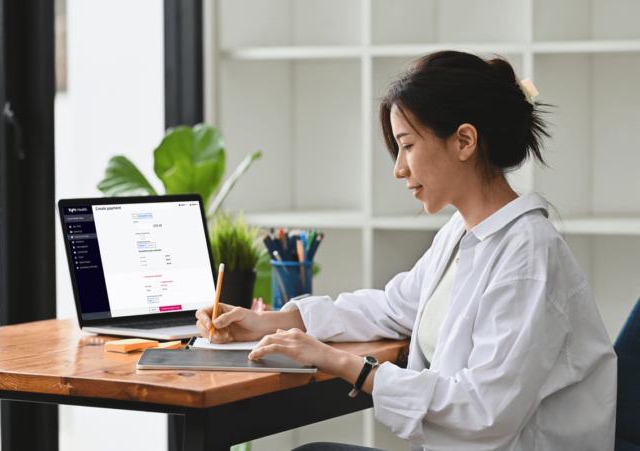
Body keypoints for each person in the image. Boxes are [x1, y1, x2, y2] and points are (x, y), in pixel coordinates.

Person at [195, 50, 617, 451]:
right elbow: (393, 307)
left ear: (465, 141)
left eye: (407, 146)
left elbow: (484, 413)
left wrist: (344, 365)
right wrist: (267, 321)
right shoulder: (465, 231)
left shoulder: (527, 255)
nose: (399, 168)